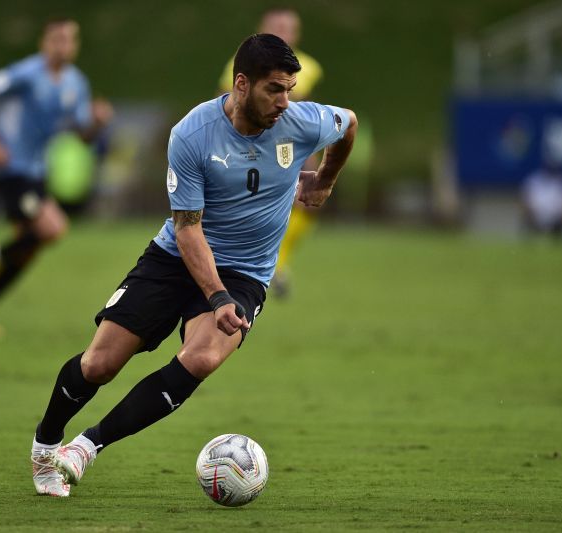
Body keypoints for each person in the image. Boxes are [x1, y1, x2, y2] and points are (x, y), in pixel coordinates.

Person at [29, 33, 357, 497]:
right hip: (175, 258)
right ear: (242, 84)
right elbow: (188, 230)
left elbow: (349, 125)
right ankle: (46, 443)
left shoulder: (301, 121)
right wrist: (215, 296)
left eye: (290, 88)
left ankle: (86, 447)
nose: (286, 101)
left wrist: (325, 178)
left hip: (246, 271)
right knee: (100, 364)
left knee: (202, 356)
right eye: (275, 89)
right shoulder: (192, 134)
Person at [0, 18, 114, 339]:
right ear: (44, 43)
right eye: (57, 39)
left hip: (35, 172)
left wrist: (97, 122)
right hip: (9, 167)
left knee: (28, 248)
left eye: (69, 40)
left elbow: (82, 136)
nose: (63, 46)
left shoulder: (75, 84)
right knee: (52, 228)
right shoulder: (26, 74)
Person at [219, 8, 323, 298]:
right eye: (277, 27)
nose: (283, 33)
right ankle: (251, 263)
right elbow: (225, 105)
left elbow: (304, 115)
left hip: (287, 149)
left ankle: (277, 260)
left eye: (289, 28)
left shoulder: (308, 67)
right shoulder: (238, 64)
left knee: (306, 205)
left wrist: (310, 154)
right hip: (251, 147)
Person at [521, 162, 562, 236]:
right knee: (526, 219)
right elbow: (526, 200)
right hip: (537, 216)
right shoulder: (534, 180)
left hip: (557, 218)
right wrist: (531, 213)